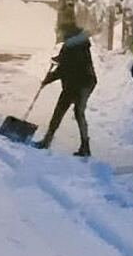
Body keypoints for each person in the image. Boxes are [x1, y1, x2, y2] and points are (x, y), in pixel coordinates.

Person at [34, 22, 97, 157]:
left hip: (83, 84)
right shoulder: (76, 44)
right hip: (77, 82)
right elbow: (66, 61)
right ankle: (48, 140)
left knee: (77, 112)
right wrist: (59, 59)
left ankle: (84, 146)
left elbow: (65, 68)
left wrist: (48, 79)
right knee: (61, 110)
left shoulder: (73, 47)